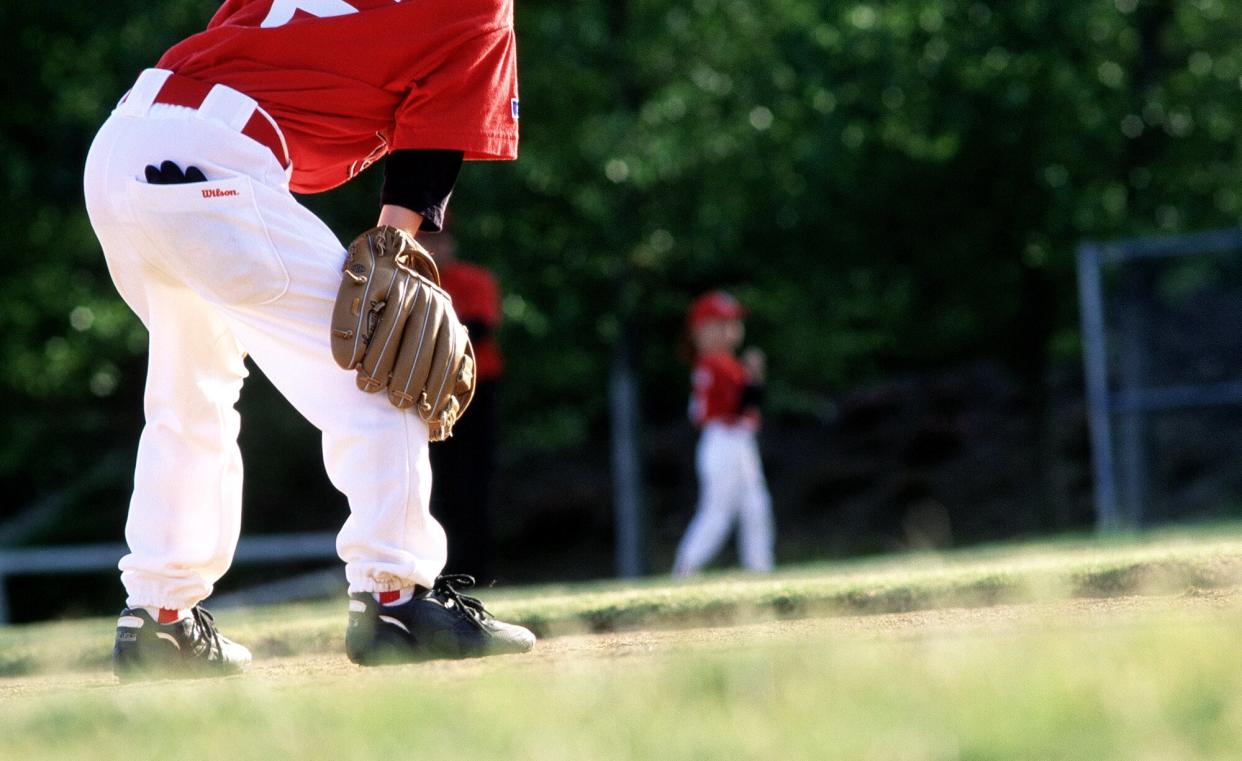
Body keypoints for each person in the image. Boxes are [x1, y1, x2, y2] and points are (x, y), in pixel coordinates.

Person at [83, 0, 534, 680]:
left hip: (124, 143)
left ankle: (159, 617)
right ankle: (396, 597)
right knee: (384, 365)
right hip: (214, 159)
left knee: (191, 390)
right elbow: (433, 140)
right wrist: (394, 243)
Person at [672, 291, 775, 577]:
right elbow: (740, 405)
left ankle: (761, 571)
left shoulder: (725, 364)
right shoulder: (715, 364)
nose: (731, 330)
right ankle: (686, 569)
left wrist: (752, 377)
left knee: (755, 506)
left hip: (736, 440)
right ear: (700, 332)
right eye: (721, 324)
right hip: (724, 440)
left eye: (733, 323)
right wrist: (755, 376)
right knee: (718, 512)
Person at [427, 232, 503, 580]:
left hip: (476, 391)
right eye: (427, 241)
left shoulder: (473, 279)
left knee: (474, 483)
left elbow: (482, 328)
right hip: (429, 394)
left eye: (440, 241)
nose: (434, 248)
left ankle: (478, 570)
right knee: (436, 485)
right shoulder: (410, 280)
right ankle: (442, 570)